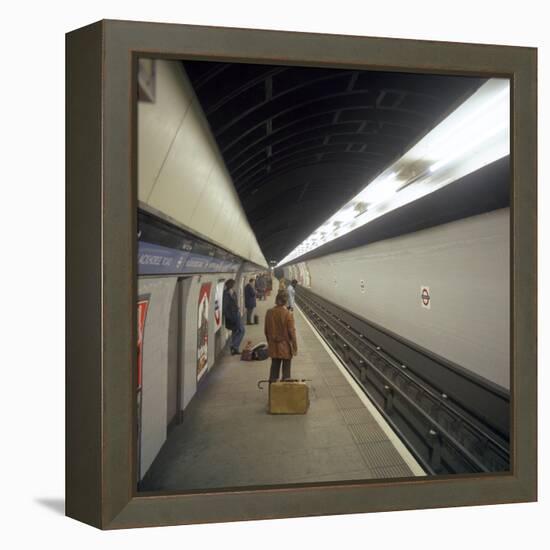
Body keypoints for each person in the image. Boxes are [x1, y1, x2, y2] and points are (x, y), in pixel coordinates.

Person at [264, 291, 298, 381]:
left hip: (273, 346)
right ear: (286, 301)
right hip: (285, 346)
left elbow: (266, 331)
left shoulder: (269, 312)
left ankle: (272, 390)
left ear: (276, 299)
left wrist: (270, 342)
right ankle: (284, 391)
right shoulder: (288, 314)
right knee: (286, 373)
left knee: (274, 370)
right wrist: (294, 347)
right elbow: (292, 333)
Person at [223, 279, 244, 355]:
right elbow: (225, 308)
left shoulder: (233, 292)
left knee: (235, 331)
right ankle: (234, 346)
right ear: (228, 285)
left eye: (233, 284)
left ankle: (235, 349)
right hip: (232, 315)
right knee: (242, 330)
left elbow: (235, 302)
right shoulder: (225, 294)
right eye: (231, 284)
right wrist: (230, 317)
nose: (233, 286)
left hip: (236, 313)